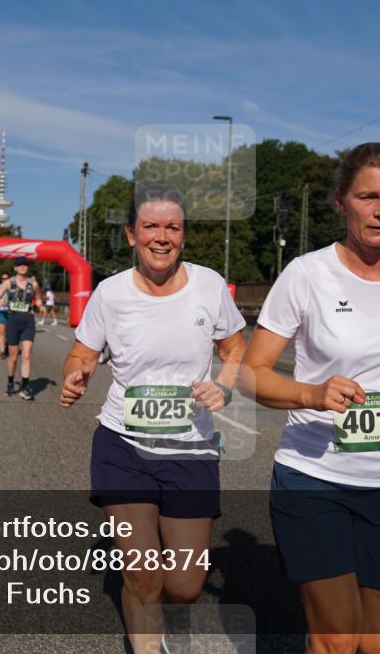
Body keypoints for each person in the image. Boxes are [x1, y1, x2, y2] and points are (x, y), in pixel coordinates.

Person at [238, 143, 380, 654]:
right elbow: (249, 374)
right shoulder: (306, 274)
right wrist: (312, 392)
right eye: (367, 196)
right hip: (315, 478)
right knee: (336, 638)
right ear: (341, 201)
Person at [60, 185, 246, 654]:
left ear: (183, 236)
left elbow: (236, 347)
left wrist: (223, 384)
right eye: (150, 227)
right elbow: (82, 352)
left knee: (185, 585)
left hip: (190, 448)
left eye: (172, 227)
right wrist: (76, 373)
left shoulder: (208, 286)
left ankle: (172, 621)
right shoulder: (110, 293)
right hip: (123, 444)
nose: (161, 237)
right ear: (130, 234)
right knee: (143, 573)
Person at [0, 257, 45, 400]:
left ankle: (25, 388)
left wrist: (40, 305)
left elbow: (38, 297)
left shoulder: (33, 284)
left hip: (28, 321)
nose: (22, 266)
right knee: (13, 358)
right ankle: (10, 381)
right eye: (19, 264)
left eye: (25, 264)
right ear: (15, 268)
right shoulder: (9, 283)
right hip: (13, 321)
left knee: (26, 355)